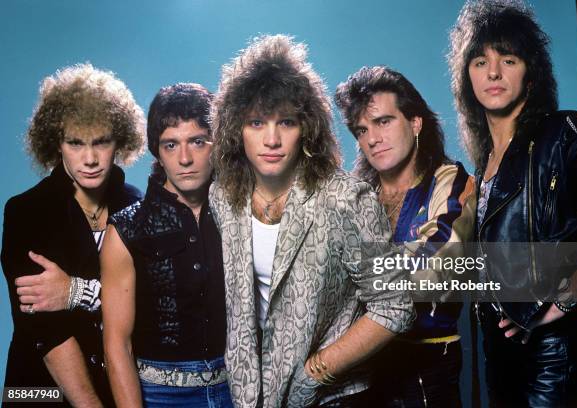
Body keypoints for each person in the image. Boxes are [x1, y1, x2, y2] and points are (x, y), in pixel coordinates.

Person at [209, 35, 414, 407]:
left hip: (331, 397)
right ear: (235, 130)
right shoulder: (223, 196)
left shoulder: (346, 199)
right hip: (251, 397)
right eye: (256, 123)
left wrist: (316, 372)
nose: (271, 139)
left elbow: (396, 305)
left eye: (285, 122)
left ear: (306, 127)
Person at [449, 1, 577, 406]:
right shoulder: (483, 162)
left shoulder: (563, 134)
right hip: (496, 355)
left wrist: (563, 298)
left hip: (552, 353)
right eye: (479, 62)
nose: (493, 73)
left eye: (508, 58)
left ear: (531, 71)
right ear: (466, 75)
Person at [1, 63, 145, 407]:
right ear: (56, 143)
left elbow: (151, 301)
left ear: (119, 141)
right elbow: (44, 330)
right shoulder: (26, 211)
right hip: (36, 389)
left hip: (116, 383)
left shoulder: (136, 204)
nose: (91, 158)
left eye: (101, 142)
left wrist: (74, 291)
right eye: (75, 143)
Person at [335, 66, 475, 407]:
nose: (372, 138)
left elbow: (440, 260)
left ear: (415, 123)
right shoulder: (355, 194)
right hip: (362, 368)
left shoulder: (451, 180)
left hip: (426, 364)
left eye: (383, 121)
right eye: (361, 130)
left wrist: (361, 276)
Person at [101, 83, 231, 408]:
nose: (185, 158)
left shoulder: (241, 216)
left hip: (238, 387)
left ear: (216, 144)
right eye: (171, 144)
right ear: (156, 151)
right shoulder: (127, 230)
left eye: (197, 142)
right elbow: (117, 345)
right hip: (161, 395)